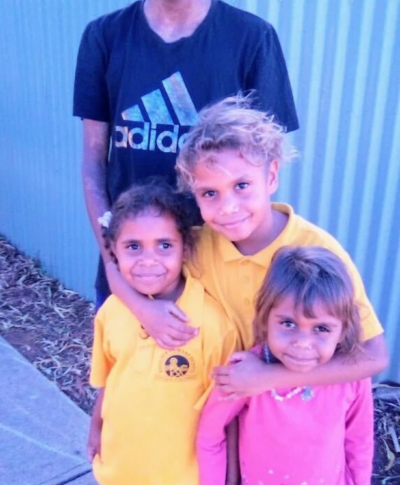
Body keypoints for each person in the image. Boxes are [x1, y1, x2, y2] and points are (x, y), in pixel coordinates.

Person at [73, 0, 299, 307]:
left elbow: (267, 165)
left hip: (221, 273)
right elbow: (92, 158)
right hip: (137, 264)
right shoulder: (103, 37)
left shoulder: (252, 39)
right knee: (125, 373)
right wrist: (114, 263)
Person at [108, 96, 388, 397]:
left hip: (291, 411)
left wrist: (269, 377)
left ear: (270, 176)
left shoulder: (317, 251)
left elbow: (374, 355)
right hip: (219, 403)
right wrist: (144, 309)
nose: (228, 207)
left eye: (241, 186)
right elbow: (118, 264)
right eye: (210, 193)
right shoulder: (197, 245)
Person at [87, 180, 236, 485]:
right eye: (133, 247)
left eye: (164, 245)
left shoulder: (212, 323)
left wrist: (230, 476)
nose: (148, 260)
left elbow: (230, 410)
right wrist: (95, 427)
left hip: (183, 476)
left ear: (185, 249)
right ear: (113, 252)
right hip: (120, 468)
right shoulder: (112, 312)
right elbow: (109, 379)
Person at [196, 246, 374, 485]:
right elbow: (210, 437)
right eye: (288, 324)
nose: (302, 344)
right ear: (264, 318)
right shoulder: (245, 374)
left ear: (343, 331)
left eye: (321, 329)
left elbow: (359, 441)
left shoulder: (351, 376)